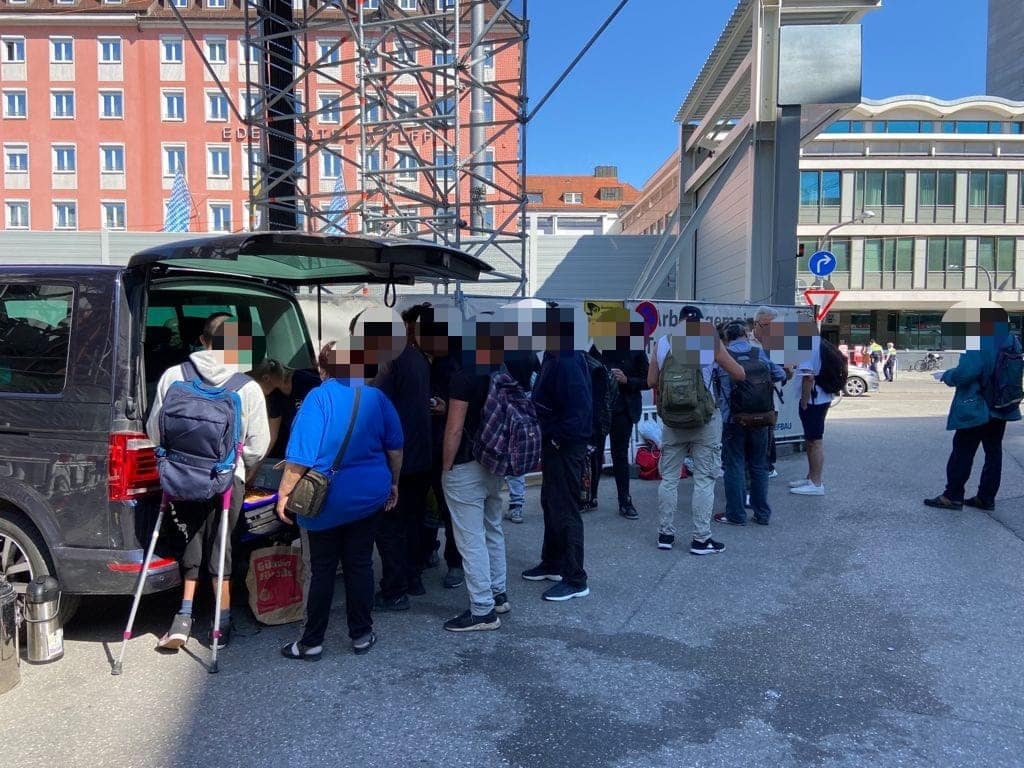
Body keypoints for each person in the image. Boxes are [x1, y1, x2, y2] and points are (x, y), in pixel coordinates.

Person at [148, 313, 270, 651]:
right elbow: (258, 446)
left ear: (203, 341)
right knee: (222, 545)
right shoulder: (246, 386)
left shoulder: (174, 375)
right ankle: (221, 622)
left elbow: (155, 430)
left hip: (182, 474)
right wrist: (240, 465)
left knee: (191, 538)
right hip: (227, 478)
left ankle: (183, 617)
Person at [276, 340, 403, 659]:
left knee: (321, 569)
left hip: (325, 500)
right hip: (369, 495)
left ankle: (311, 642)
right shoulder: (377, 398)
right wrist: (394, 482)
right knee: (360, 563)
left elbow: (301, 457)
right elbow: (395, 448)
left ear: (323, 369)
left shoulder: (317, 398)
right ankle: (361, 634)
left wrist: (284, 493)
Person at [648, 306, 745, 552]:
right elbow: (739, 374)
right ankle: (701, 539)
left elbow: (651, 381)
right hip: (704, 419)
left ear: (679, 322)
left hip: (672, 420)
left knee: (669, 479)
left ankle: (665, 535)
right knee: (704, 479)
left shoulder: (662, 343)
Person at [439, 320, 513, 631]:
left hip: (466, 465)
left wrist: (446, 466)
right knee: (493, 528)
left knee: (470, 538)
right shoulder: (503, 373)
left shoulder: (464, 376)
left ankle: (482, 610)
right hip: (496, 463)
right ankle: (498, 594)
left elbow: (455, 428)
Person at [522, 310, 593, 601]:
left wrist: (556, 439)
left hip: (565, 445)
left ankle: (576, 578)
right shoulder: (553, 357)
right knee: (551, 503)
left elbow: (580, 411)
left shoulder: (567, 360)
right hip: (555, 443)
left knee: (566, 509)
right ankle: (552, 562)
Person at [924, 311, 1021, 511]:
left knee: (963, 450)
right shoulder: (1012, 342)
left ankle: (952, 496)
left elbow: (967, 372)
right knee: (993, 452)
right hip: (1001, 405)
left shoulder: (981, 341)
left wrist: (947, 376)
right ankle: (986, 498)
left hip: (977, 405)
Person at [372, 305, 433, 609]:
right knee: (414, 519)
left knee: (390, 525)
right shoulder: (417, 357)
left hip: (398, 456)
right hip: (422, 452)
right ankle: (414, 577)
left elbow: (376, 405)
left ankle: (394, 589)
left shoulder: (389, 361)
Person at [713, 320, 787, 526]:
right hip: (762, 418)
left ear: (726, 338)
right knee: (759, 465)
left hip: (733, 419)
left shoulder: (724, 356)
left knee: (734, 465)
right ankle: (762, 514)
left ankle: (736, 515)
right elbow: (781, 375)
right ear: (745, 335)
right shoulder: (759, 353)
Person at [588, 308, 650, 519]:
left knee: (620, 455)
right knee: (595, 453)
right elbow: (586, 373)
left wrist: (626, 380)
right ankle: (590, 496)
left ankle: (625, 501)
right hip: (600, 409)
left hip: (624, 408)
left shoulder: (635, 348)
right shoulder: (598, 347)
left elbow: (648, 380)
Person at [250, 359, 323, 459]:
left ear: (266, 378)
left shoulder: (308, 382)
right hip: (292, 451)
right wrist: (256, 462)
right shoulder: (274, 395)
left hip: (316, 448)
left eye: (254, 385)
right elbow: (272, 435)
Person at [791, 336, 832, 497]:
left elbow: (808, 377)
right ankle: (811, 478)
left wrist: (804, 401)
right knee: (810, 439)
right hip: (821, 397)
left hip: (813, 400)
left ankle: (816, 483)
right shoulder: (818, 342)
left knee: (815, 441)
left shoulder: (806, 347)